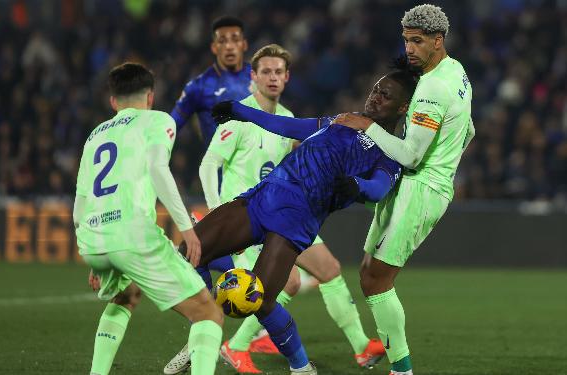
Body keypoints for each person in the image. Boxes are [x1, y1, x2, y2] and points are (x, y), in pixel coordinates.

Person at [170, 59, 418, 375]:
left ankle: (301, 368)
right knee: (189, 253)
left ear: (402, 108)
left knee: (260, 300)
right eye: (375, 90)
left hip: (295, 223)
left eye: (385, 95)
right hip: (263, 198)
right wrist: (241, 112)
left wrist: (355, 185)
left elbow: (378, 189)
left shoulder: (392, 153)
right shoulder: (344, 120)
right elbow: (292, 126)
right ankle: (203, 330)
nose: (375, 97)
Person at [335, 5, 476, 375]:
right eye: (406, 41)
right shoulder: (457, 72)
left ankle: (402, 369)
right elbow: (470, 130)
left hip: (421, 189)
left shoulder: (432, 88)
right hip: (423, 185)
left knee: (378, 279)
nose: (409, 49)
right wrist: (449, 163)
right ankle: (393, 349)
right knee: (368, 274)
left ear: (437, 40)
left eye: (417, 42)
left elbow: (412, 157)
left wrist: (366, 125)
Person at [74, 62, 223, 375]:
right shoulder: (158, 120)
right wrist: (187, 228)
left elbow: (81, 203)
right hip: (131, 235)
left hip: (92, 237)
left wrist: (95, 258)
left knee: (125, 294)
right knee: (208, 313)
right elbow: (158, 169)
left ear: (113, 101)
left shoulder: (94, 137)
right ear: (151, 97)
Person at [170, 15, 253, 276]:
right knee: (246, 259)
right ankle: (193, 252)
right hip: (222, 177)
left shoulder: (260, 78)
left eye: (234, 39)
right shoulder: (199, 87)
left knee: (254, 256)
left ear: (244, 44)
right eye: (222, 41)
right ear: (214, 48)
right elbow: (171, 127)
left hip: (259, 171)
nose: (229, 46)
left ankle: (194, 249)